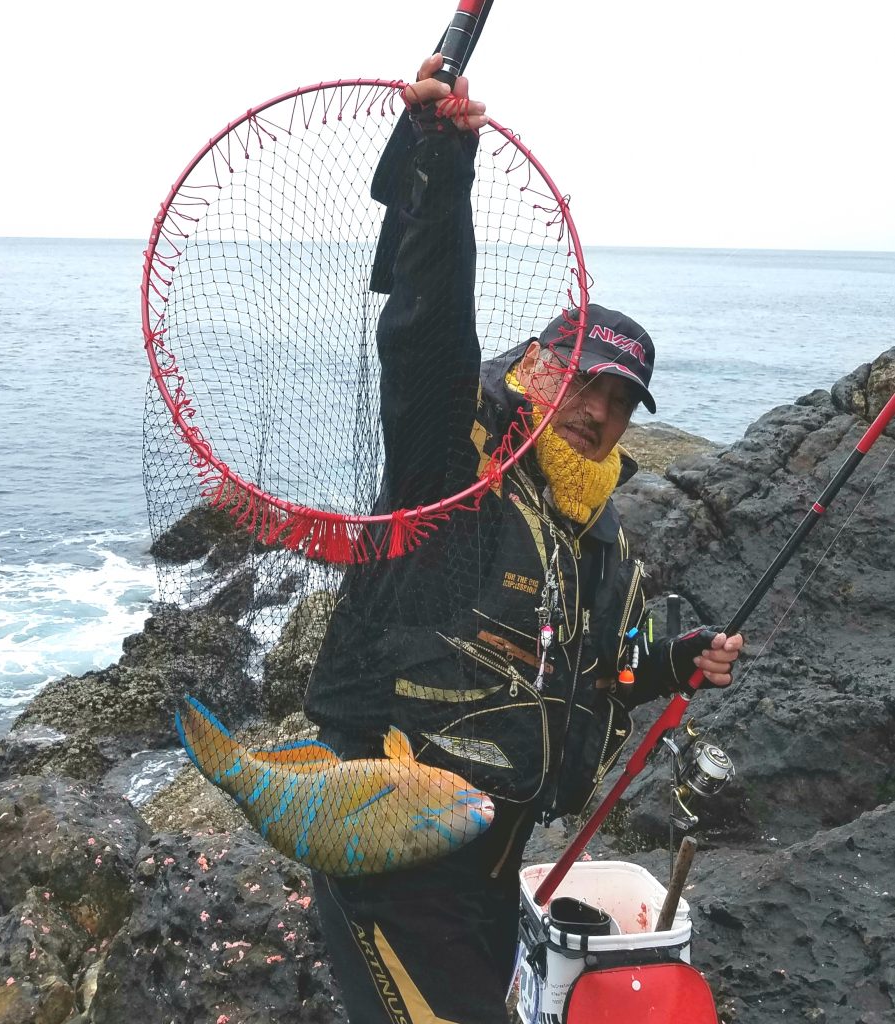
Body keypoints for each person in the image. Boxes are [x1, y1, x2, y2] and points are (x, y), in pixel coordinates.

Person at [303, 55, 743, 1024]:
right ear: (537, 372)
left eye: (619, 399)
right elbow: (425, 336)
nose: (595, 409)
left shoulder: (595, 540)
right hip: (389, 845)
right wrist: (441, 174)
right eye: (581, 380)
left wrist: (675, 662)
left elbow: (601, 672)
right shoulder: (452, 473)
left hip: (492, 864)